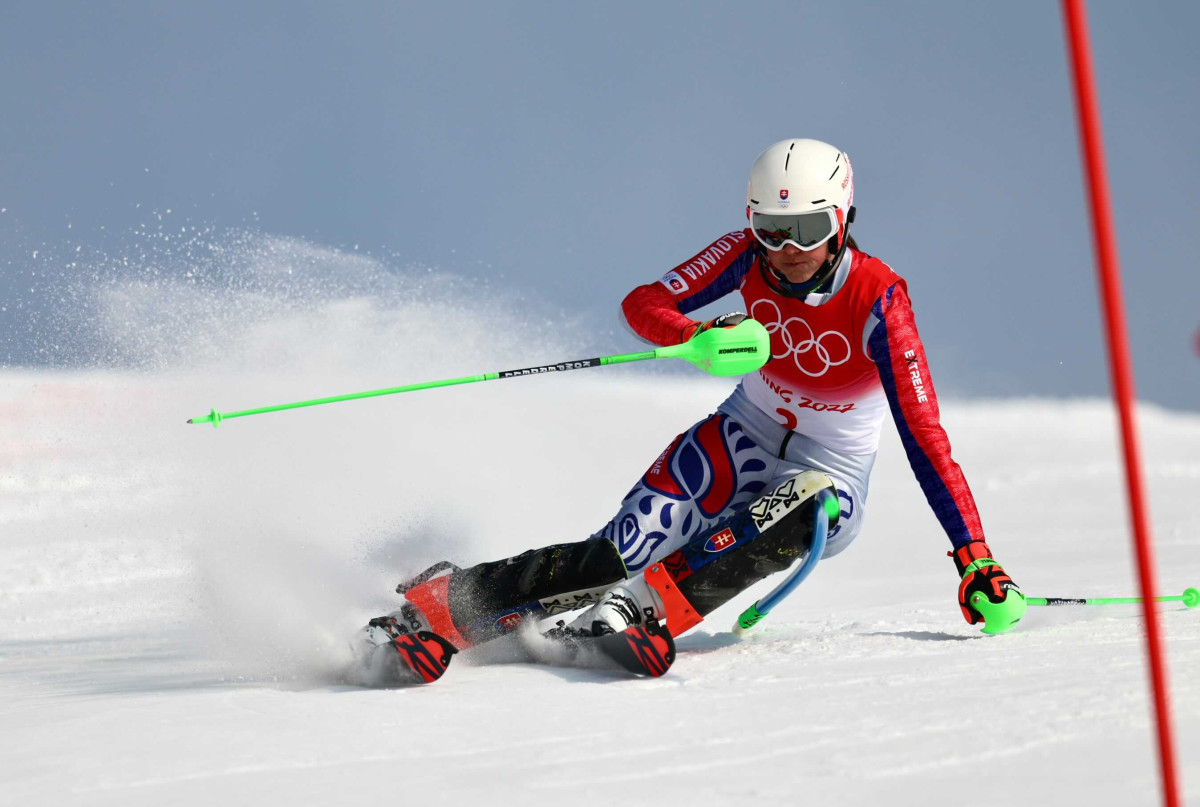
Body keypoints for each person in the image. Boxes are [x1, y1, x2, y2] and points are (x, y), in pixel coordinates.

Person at [369, 138, 1025, 649]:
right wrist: (695, 334)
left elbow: (923, 432)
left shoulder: (879, 299)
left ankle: (642, 608)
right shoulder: (743, 254)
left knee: (803, 505)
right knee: (612, 552)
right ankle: (443, 603)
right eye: (772, 228)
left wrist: (974, 556)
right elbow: (645, 301)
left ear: (845, 218)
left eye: (809, 229)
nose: (788, 250)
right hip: (740, 436)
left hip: (831, 473)